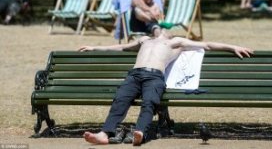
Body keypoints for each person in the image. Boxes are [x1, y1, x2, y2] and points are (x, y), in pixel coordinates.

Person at [79, 29, 253, 146]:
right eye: (158, 26)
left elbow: (207, 45)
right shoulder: (145, 40)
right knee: (120, 100)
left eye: (165, 27)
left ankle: (140, 132)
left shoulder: (176, 42)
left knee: (149, 103)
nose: (161, 28)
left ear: (170, 33)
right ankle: (104, 134)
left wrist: (233, 47)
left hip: (154, 76)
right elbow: (122, 47)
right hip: (134, 75)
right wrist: (94, 47)